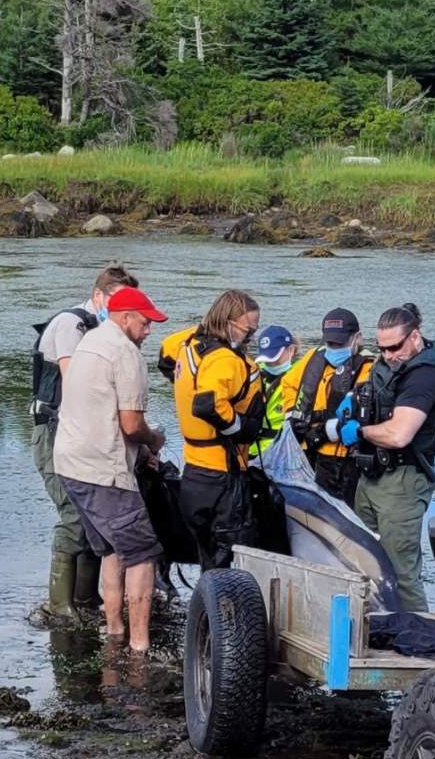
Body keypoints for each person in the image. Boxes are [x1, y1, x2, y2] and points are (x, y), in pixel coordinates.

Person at [53, 286, 168, 651]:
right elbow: (132, 424)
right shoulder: (125, 353)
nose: (150, 329)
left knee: (111, 550)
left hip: (70, 464)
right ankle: (139, 644)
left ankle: (115, 630)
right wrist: (154, 442)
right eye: (146, 322)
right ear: (125, 317)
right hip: (104, 468)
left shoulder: (87, 342)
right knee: (142, 554)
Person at [31, 264, 138, 621]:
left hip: (86, 435)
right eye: (116, 301)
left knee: (94, 517)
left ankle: (86, 600)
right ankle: (59, 605)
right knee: (73, 514)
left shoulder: (104, 331)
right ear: (98, 297)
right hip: (54, 431)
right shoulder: (70, 325)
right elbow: (77, 382)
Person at [334, 302, 435, 614]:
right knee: (361, 562)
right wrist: (353, 399)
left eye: (394, 347)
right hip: (372, 475)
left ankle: (420, 642)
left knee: (401, 573)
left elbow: (400, 434)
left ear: (415, 336)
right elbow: (373, 389)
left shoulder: (426, 376)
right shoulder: (392, 362)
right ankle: (373, 627)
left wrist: (359, 432)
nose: (388, 355)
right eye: (381, 348)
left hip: (402, 482)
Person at [163, 290, 264, 571]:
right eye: (248, 330)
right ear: (229, 321)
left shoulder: (187, 343)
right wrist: (241, 428)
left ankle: (206, 608)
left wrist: (183, 385)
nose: (250, 337)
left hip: (194, 470)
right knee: (231, 553)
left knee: (207, 551)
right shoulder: (226, 360)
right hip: (223, 472)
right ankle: (226, 611)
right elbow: (208, 405)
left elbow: (164, 357)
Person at [281, 307, 372, 503]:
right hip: (307, 452)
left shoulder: (368, 367)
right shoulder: (315, 356)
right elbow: (288, 383)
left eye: (340, 343)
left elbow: (359, 409)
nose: (334, 348)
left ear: (357, 338)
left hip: (343, 461)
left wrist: (330, 430)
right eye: (330, 342)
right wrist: (291, 412)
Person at [249, 324, 296, 459]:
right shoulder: (254, 374)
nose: (271, 365)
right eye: (267, 361)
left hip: (281, 454)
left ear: (291, 350)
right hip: (252, 453)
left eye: (275, 360)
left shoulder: (298, 378)